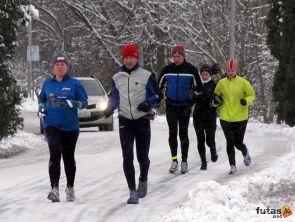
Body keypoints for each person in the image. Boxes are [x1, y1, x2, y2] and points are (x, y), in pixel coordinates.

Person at [104, 44, 161, 204]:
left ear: (137, 58)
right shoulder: (117, 77)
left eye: (132, 57)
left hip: (142, 120)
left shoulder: (147, 75)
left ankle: (143, 179)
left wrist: (147, 103)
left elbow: (158, 95)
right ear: (123, 59)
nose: (129, 60)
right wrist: (110, 107)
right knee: (127, 157)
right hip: (125, 121)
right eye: (126, 57)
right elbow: (115, 96)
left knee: (142, 156)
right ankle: (132, 190)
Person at [38, 52, 88, 202]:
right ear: (53, 68)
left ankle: (70, 188)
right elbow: (42, 99)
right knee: (54, 154)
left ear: (67, 67)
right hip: (51, 124)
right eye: (57, 65)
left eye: (62, 65)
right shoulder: (47, 84)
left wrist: (77, 104)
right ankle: (54, 189)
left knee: (68, 157)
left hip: (70, 126)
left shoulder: (75, 83)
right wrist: (41, 107)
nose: (60, 67)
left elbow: (84, 101)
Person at [158, 44, 202, 174]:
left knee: (183, 134)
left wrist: (191, 98)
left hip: (184, 106)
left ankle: (184, 161)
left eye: (179, 56)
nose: (176, 59)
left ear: (183, 56)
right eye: (174, 56)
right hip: (171, 106)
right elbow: (159, 87)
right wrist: (156, 99)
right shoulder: (167, 69)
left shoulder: (191, 70)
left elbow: (199, 88)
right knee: (172, 133)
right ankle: (174, 160)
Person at [212, 59, 255, 174]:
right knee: (230, 141)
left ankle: (245, 151)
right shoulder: (222, 83)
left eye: (232, 70)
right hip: (225, 117)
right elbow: (215, 94)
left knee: (238, 143)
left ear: (236, 70)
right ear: (226, 70)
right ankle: (232, 166)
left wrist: (246, 101)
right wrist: (216, 99)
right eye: (228, 70)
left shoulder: (243, 82)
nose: (230, 72)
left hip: (240, 117)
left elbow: (252, 95)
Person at [192, 64, 218, 171]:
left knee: (209, 140)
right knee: (200, 140)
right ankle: (203, 162)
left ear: (210, 74)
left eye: (206, 74)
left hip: (210, 116)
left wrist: (215, 102)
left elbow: (219, 100)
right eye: (202, 74)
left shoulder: (215, 85)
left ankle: (213, 149)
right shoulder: (197, 85)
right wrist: (192, 96)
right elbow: (191, 99)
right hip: (198, 116)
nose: (204, 76)